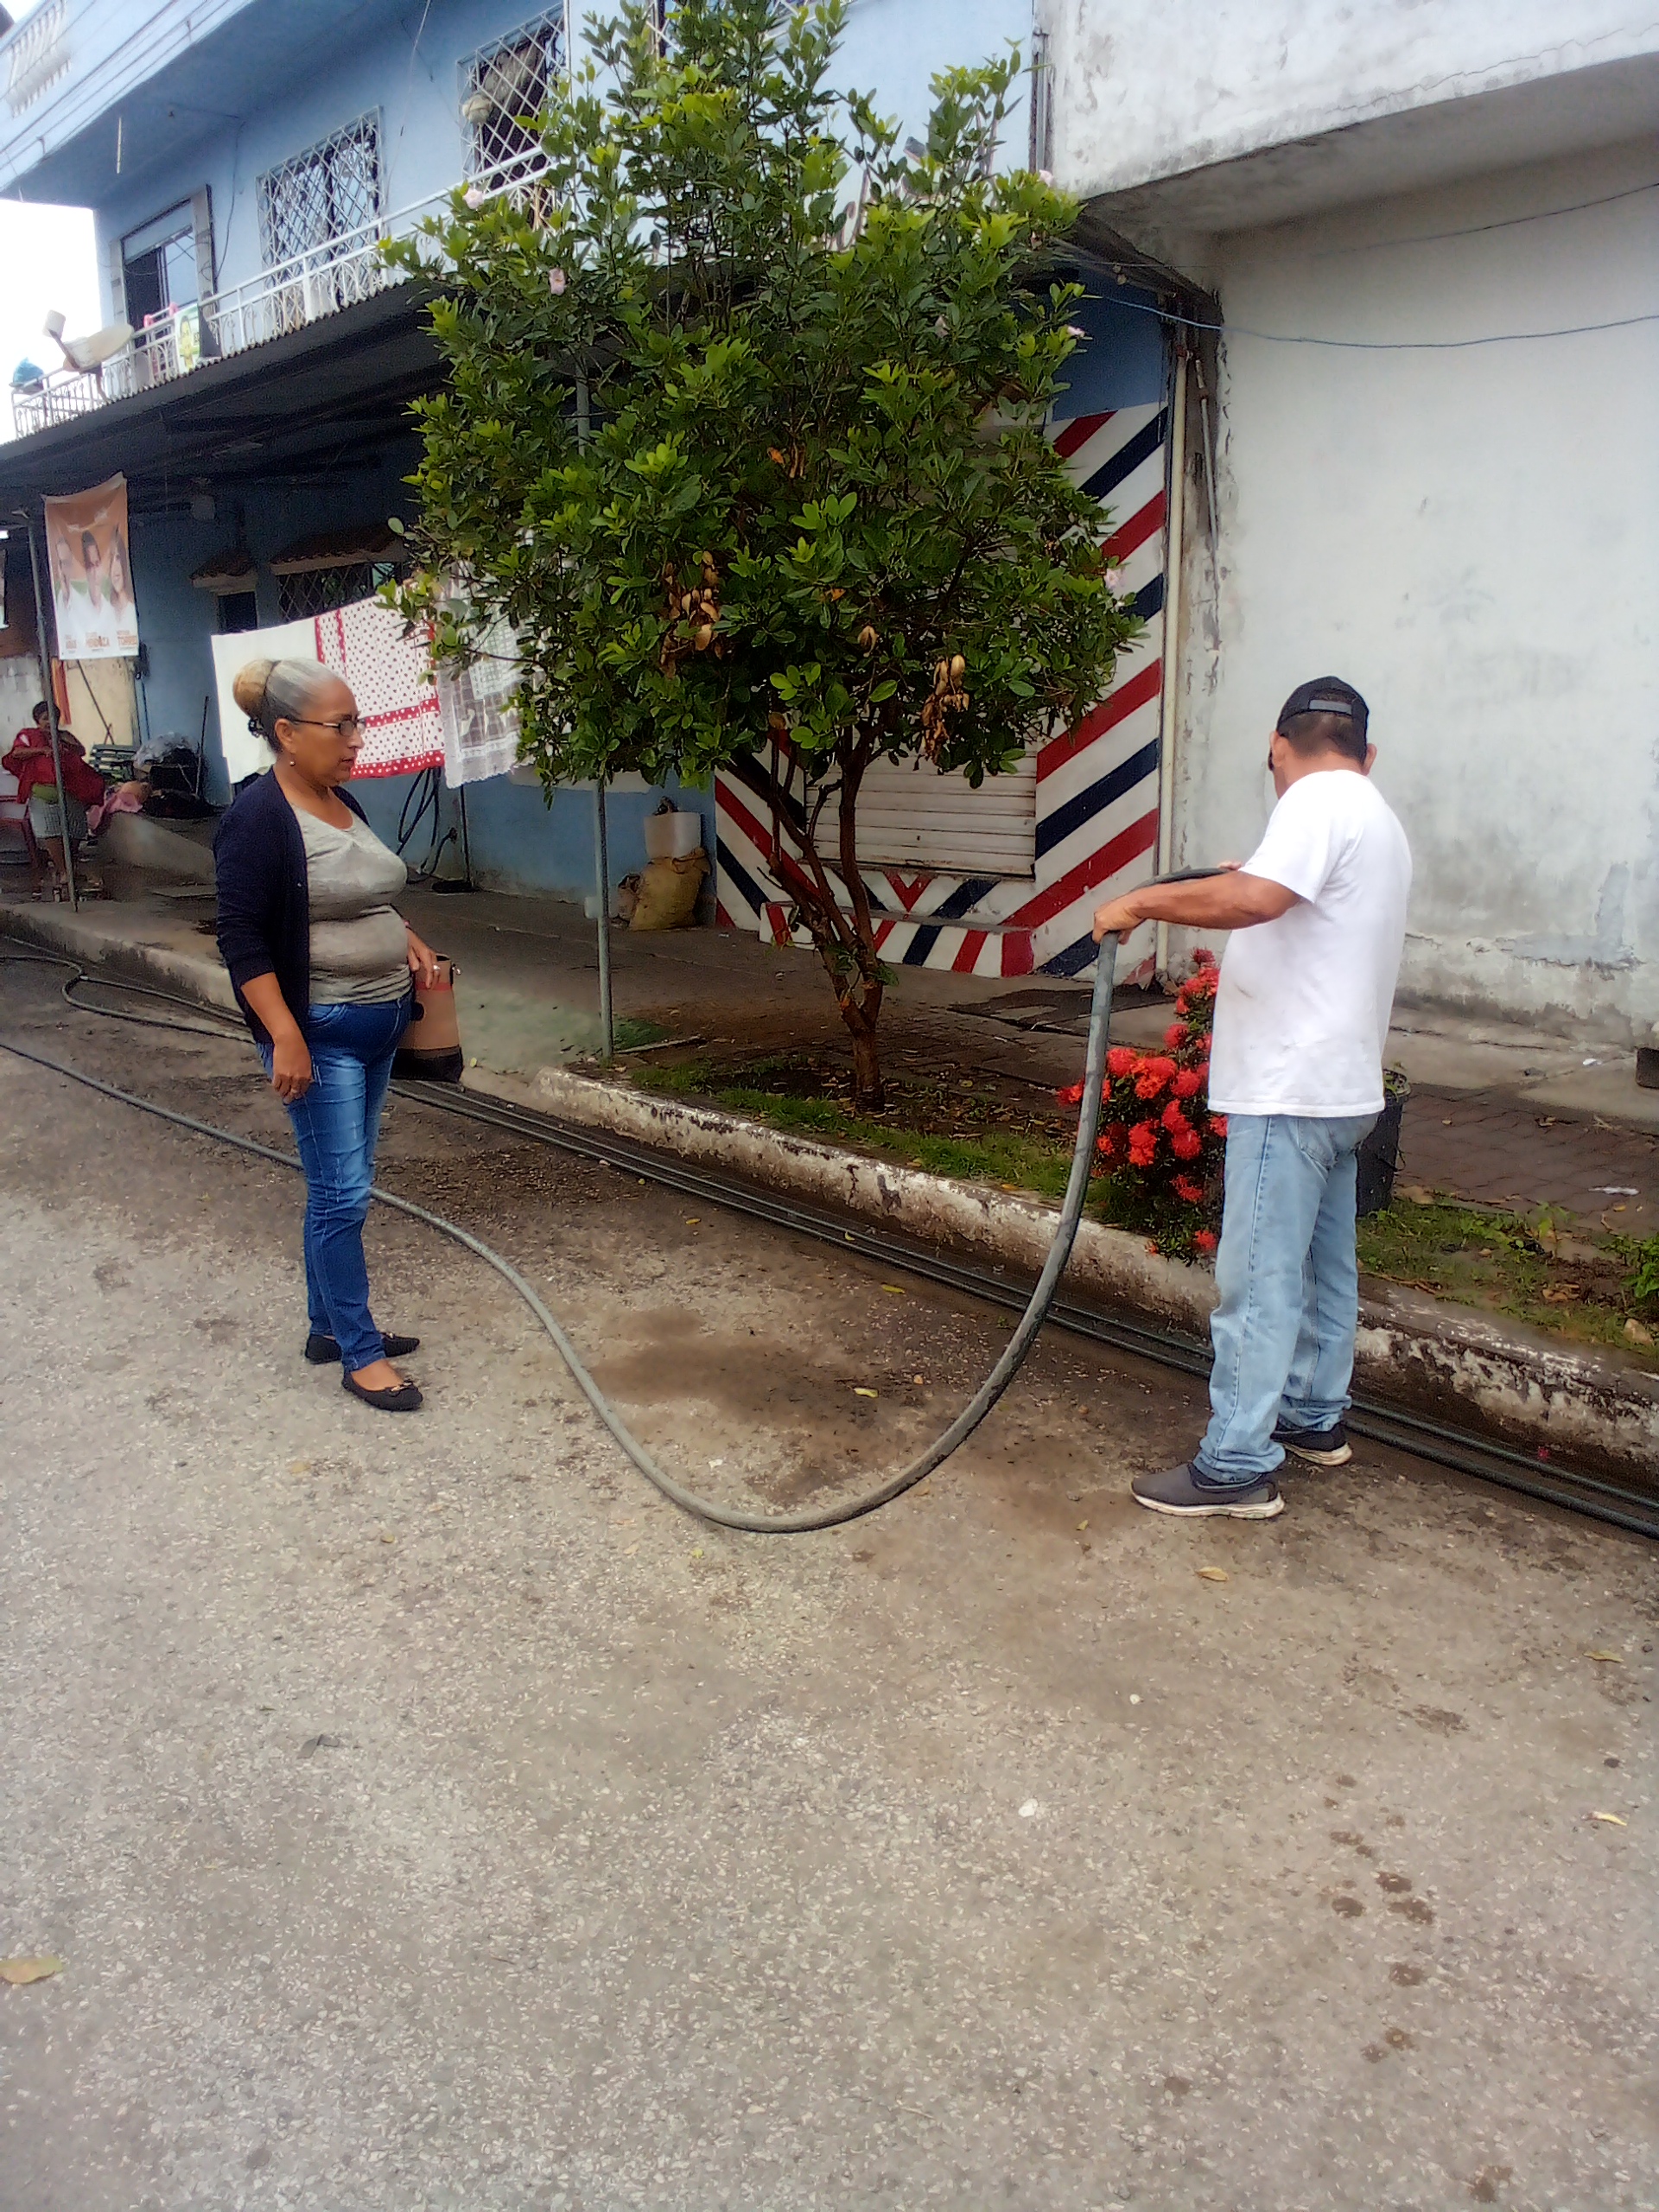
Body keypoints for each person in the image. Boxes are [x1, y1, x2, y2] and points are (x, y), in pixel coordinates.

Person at [1091, 677, 1412, 1521]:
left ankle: (1235, 1462)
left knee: (1260, 1279)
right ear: (1367, 751)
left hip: (1289, 1090)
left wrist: (1139, 902)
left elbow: (1255, 900)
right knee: (1322, 1268)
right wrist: (1256, 876)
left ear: (1278, 747)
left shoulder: (1313, 801)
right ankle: (1313, 1415)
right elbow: (1283, 894)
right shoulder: (1374, 814)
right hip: (1341, 1090)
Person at [214, 657, 443, 1414]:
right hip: (322, 1033)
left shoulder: (342, 801)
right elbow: (241, 938)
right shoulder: (257, 818)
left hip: (379, 1026)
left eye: (357, 724)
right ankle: (361, 1354)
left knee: (339, 1185)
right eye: (340, 726)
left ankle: (327, 1328)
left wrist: (406, 936)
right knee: (344, 1195)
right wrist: (284, 1034)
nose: (356, 741)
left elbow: (365, 894)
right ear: (286, 733)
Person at [3, 701, 105, 899]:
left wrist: (66, 743)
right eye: (45, 718)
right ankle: (64, 871)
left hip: (71, 790)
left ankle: (69, 866)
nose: (50, 721)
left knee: (75, 830)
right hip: (43, 792)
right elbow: (17, 753)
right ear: (37, 720)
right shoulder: (28, 735)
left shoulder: (64, 736)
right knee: (51, 833)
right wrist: (41, 750)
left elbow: (81, 751)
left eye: (54, 717)